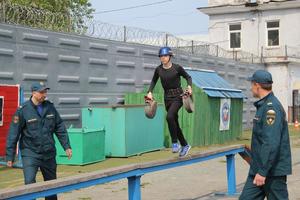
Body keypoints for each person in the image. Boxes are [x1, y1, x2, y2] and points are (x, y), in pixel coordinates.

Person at [6, 82, 72, 200]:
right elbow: (13, 134)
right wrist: (10, 156)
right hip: (30, 153)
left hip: (48, 153)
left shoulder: (50, 107)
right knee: (30, 184)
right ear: (33, 93)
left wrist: (66, 146)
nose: (44, 95)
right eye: (42, 92)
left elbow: (59, 127)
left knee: (51, 185)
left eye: (45, 92)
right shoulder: (23, 110)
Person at [239, 70, 292, 200]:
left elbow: (271, 142)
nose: (251, 88)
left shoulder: (271, 109)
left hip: (272, 172)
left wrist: (263, 172)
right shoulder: (263, 106)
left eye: (251, 84)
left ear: (257, 85)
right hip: (258, 169)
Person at [146, 47, 192, 157]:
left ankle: (175, 143)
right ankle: (185, 145)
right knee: (174, 122)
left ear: (170, 56)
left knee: (169, 117)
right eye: (161, 56)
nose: (163, 58)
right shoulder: (158, 70)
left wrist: (189, 86)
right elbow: (153, 81)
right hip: (167, 98)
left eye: (165, 56)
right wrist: (149, 92)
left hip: (178, 97)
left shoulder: (177, 68)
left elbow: (188, 77)